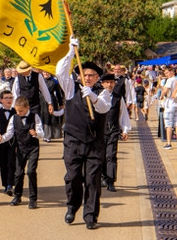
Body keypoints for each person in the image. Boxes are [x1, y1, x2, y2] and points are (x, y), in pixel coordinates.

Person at [56, 38, 112, 230]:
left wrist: (94, 97)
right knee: (72, 177)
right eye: (84, 74)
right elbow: (60, 72)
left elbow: (104, 108)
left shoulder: (103, 93)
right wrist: (71, 51)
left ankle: (90, 216)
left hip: (94, 143)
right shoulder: (71, 88)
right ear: (79, 76)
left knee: (92, 180)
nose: (87, 78)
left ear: (97, 77)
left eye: (91, 75)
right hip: (73, 140)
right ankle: (72, 207)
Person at [0, 96, 44, 209]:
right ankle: (17, 196)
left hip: (33, 147)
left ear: (27, 108)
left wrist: (36, 133)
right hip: (20, 148)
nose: (19, 113)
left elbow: (42, 133)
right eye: (17, 110)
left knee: (31, 171)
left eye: (21, 111)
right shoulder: (14, 118)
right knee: (18, 173)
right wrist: (1, 139)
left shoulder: (35, 117)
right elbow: (9, 134)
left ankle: (33, 199)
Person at [100, 72, 131, 192]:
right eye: (107, 82)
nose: (109, 85)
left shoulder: (118, 98)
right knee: (101, 156)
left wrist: (125, 129)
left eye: (111, 82)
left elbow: (123, 114)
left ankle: (111, 181)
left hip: (113, 130)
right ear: (102, 84)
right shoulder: (97, 97)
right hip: (100, 132)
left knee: (111, 156)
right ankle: (103, 176)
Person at [0, 90, 16, 196]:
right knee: (3, 163)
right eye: (6, 98)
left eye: (10, 97)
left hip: (13, 142)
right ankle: (5, 184)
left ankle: (10, 184)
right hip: (1, 142)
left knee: (11, 163)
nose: (8, 100)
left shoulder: (16, 112)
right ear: (1, 100)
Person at [41, 70, 65, 142]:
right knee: (43, 117)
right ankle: (44, 134)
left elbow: (58, 93)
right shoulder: (40, 80)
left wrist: (61, 104)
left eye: (47, 72)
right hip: (41, 100)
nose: (45, 73)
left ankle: (50, 135)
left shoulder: (55, 81)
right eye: (44, 72)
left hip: (51, 100)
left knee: (51, 117)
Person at [162, 67, 177, 149]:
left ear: (171, 72)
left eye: (167, 73)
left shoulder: (170, 80)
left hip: (170, 103)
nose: (166, 75)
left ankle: (169, 143)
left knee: (168, 123)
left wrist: (161, 95)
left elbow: (166, 90)